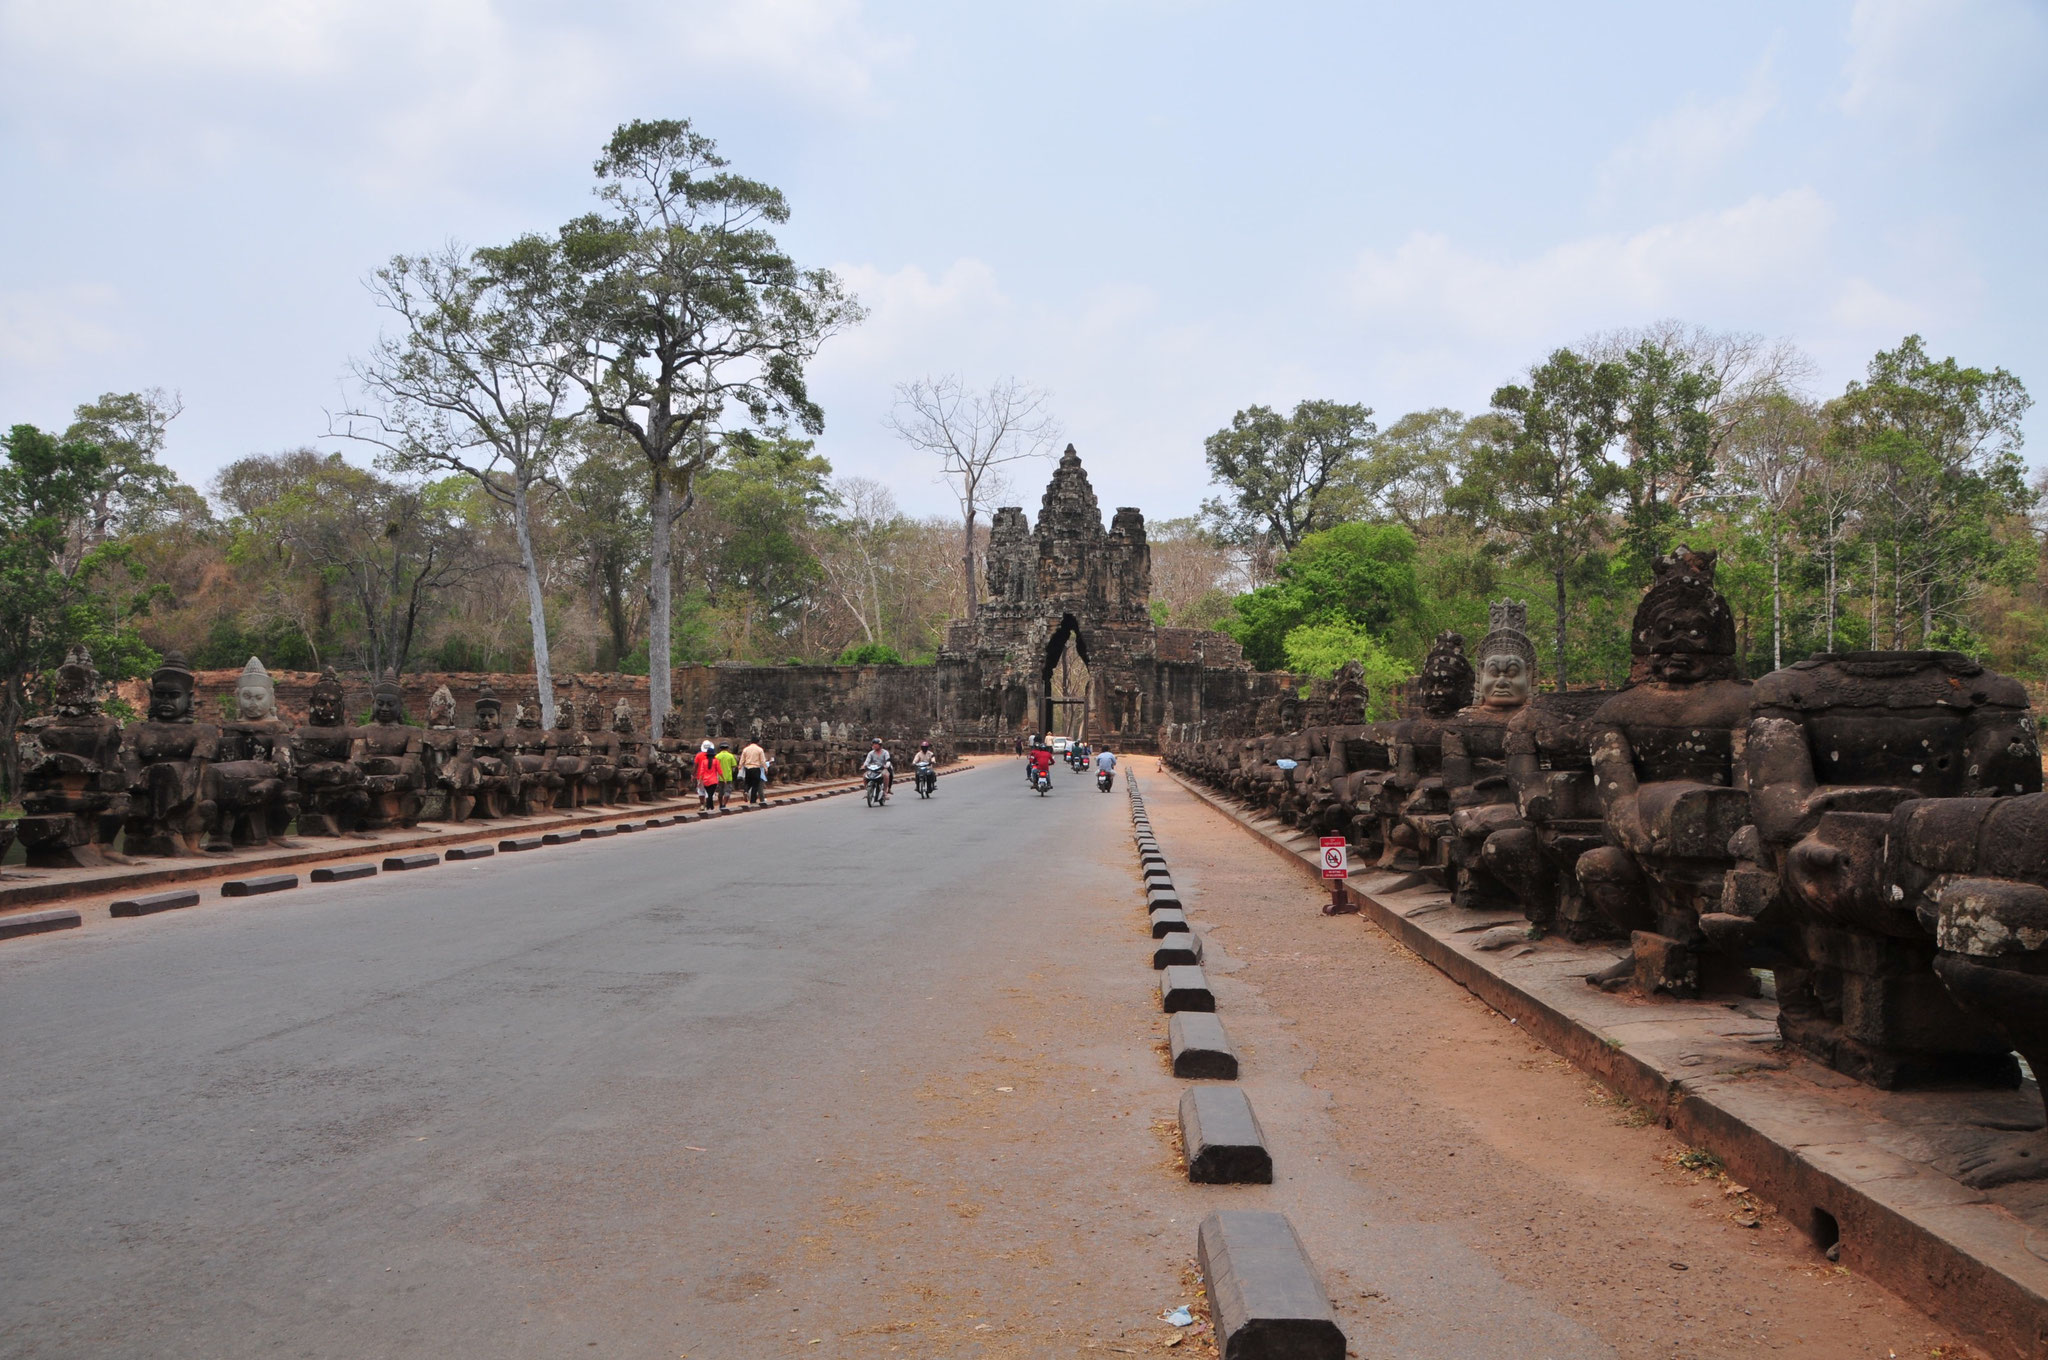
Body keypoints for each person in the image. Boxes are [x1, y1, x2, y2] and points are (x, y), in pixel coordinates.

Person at [739, 736, 767, 804]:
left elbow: (742, 759)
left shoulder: (746, 749)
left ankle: (746, 791)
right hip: (756, 768)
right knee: (755, 785)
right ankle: (753, 800)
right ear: (758, 742)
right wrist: (765, 768)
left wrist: (740, 766)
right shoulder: (759, 749)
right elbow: (763, 760)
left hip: (747, 768)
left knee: (747, 782)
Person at [693, 740, 719, 811]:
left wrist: (693, 774)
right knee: (709, 792)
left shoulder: (698, 755)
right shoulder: (714, 757)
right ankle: (709, 804)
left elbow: (695, 766)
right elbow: (717, 768)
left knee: (701, 791)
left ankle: (702, 805)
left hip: (700, 777)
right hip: (712, 778)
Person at [714, 740, 738, 809]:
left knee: (720, 792)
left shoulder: (717, 756)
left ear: (720, 748)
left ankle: (720, 804)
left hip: (719, 777)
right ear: (727, 748)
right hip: (728, 777)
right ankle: (724, 805)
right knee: (727, 791)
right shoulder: (730, 756)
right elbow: (734, 765)